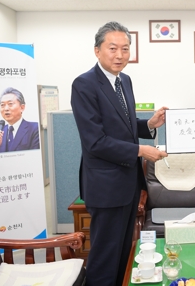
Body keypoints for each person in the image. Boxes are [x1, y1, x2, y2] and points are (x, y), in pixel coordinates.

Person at [70, 21, 168, 286]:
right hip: (104, 186)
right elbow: (96, 141)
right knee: (104, 256)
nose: (120, 55)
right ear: (97, 50)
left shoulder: (124, 80)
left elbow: (123, 124)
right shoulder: (84, 85)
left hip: (128, 183)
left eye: (125, 49)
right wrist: (140, 151)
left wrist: (148, 124)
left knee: (125, 251)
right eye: (112, 48)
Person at [0, 87, 40, 154]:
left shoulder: (35, 128)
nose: (6, 108)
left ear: (22, 107)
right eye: (2, 105)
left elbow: (35, 157)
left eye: (10, 104)